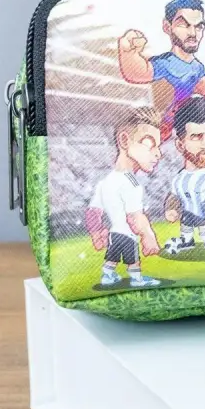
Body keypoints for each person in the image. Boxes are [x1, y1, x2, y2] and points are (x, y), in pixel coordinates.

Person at [85, 106, 163, 288]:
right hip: (127, 234)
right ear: (124, 140)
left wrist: (96, 233)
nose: (158, 154)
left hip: (114, 233)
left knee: (112, 258)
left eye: (158, 146)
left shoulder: (105, 181)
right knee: (132, 258)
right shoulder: (131, 183)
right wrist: (148, 235)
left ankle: (107, 276)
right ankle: (137, 279)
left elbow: (92, 212)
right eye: (150, 144)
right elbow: (134, 217)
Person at [118, 0, 205, 139]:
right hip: (162, 129)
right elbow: (137, 73)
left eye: (199, 26)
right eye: (184, 25)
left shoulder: (197, 66)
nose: (193, 33)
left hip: (186, 128)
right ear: (167, 27)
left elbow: (203, 88)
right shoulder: (166, 63)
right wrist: (128, 50)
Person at [164, 96, 205, 255]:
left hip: (200, 213)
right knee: (186, 224)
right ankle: (187, 240)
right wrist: (171, 209)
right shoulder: (179, 178)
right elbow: (174, 196)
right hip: (187, 213)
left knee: (201, 223)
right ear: (180, 144)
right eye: (196, 137)